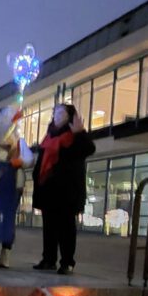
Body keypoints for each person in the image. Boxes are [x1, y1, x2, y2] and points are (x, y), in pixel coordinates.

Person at [32, 103, 95, 275]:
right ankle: (48, 259)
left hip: (67, 192)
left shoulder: (74, 136)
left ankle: (67, 262)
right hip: (49, 190)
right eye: (55, 112)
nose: (56, 115)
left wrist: (80, 133)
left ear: (70, 117)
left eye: (61, 112)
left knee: (66, 228)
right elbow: (42, 162)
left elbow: (89, 149)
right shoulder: (49, 136)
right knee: (49, 227)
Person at [0, 106, 35, 268]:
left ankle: (5, 253)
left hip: (14, 185)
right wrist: (11, 124)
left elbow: (30, 159)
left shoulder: (19, 142)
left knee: (8, 219)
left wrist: (21, 161)